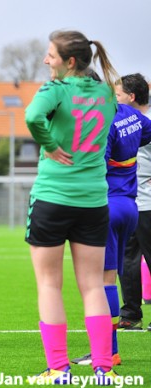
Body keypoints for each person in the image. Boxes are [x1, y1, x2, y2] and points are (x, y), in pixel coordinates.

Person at [24, 30, 119, 384]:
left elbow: (33, 118)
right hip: (94, 200)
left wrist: (48, 143)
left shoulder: (55, 90)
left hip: (52, 198)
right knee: (93, 286)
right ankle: (102, 369)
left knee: (49, 284)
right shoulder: (108, 93)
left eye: (51, 55)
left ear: (71, 61)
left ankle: (59, 369)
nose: (46, 60)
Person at [70, 79, 151, 366]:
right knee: (107, 279)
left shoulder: (99, 123)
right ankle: (108, 350)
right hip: (129, 205)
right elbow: (147, 133)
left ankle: (107, 351)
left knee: (100, 283)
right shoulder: (129, 113)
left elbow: (95, 167)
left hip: (106, 207)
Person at [115, 73, 151, 332]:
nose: (114, 100)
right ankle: (130, 313)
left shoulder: (147, 121)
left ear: (131, 96)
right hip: (130, 202)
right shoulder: (123, 120)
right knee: (127, 260)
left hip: (149, 204)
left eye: (117, 95)